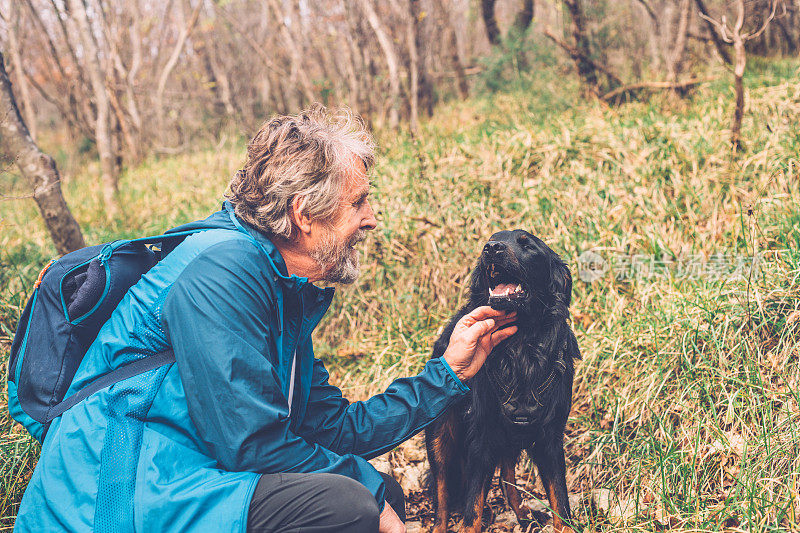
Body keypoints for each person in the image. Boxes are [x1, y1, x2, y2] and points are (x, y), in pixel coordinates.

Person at [14, 107, 516, 533]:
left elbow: (332, 429)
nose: (370, 218)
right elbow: (253, 445)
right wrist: (369, 497)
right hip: (113, 500)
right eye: (359, 201)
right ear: (304, 215)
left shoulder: (280, 286)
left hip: (177, 481)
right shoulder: (224, 269)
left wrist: (449, 375)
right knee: (350, 506)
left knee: (372, 492)